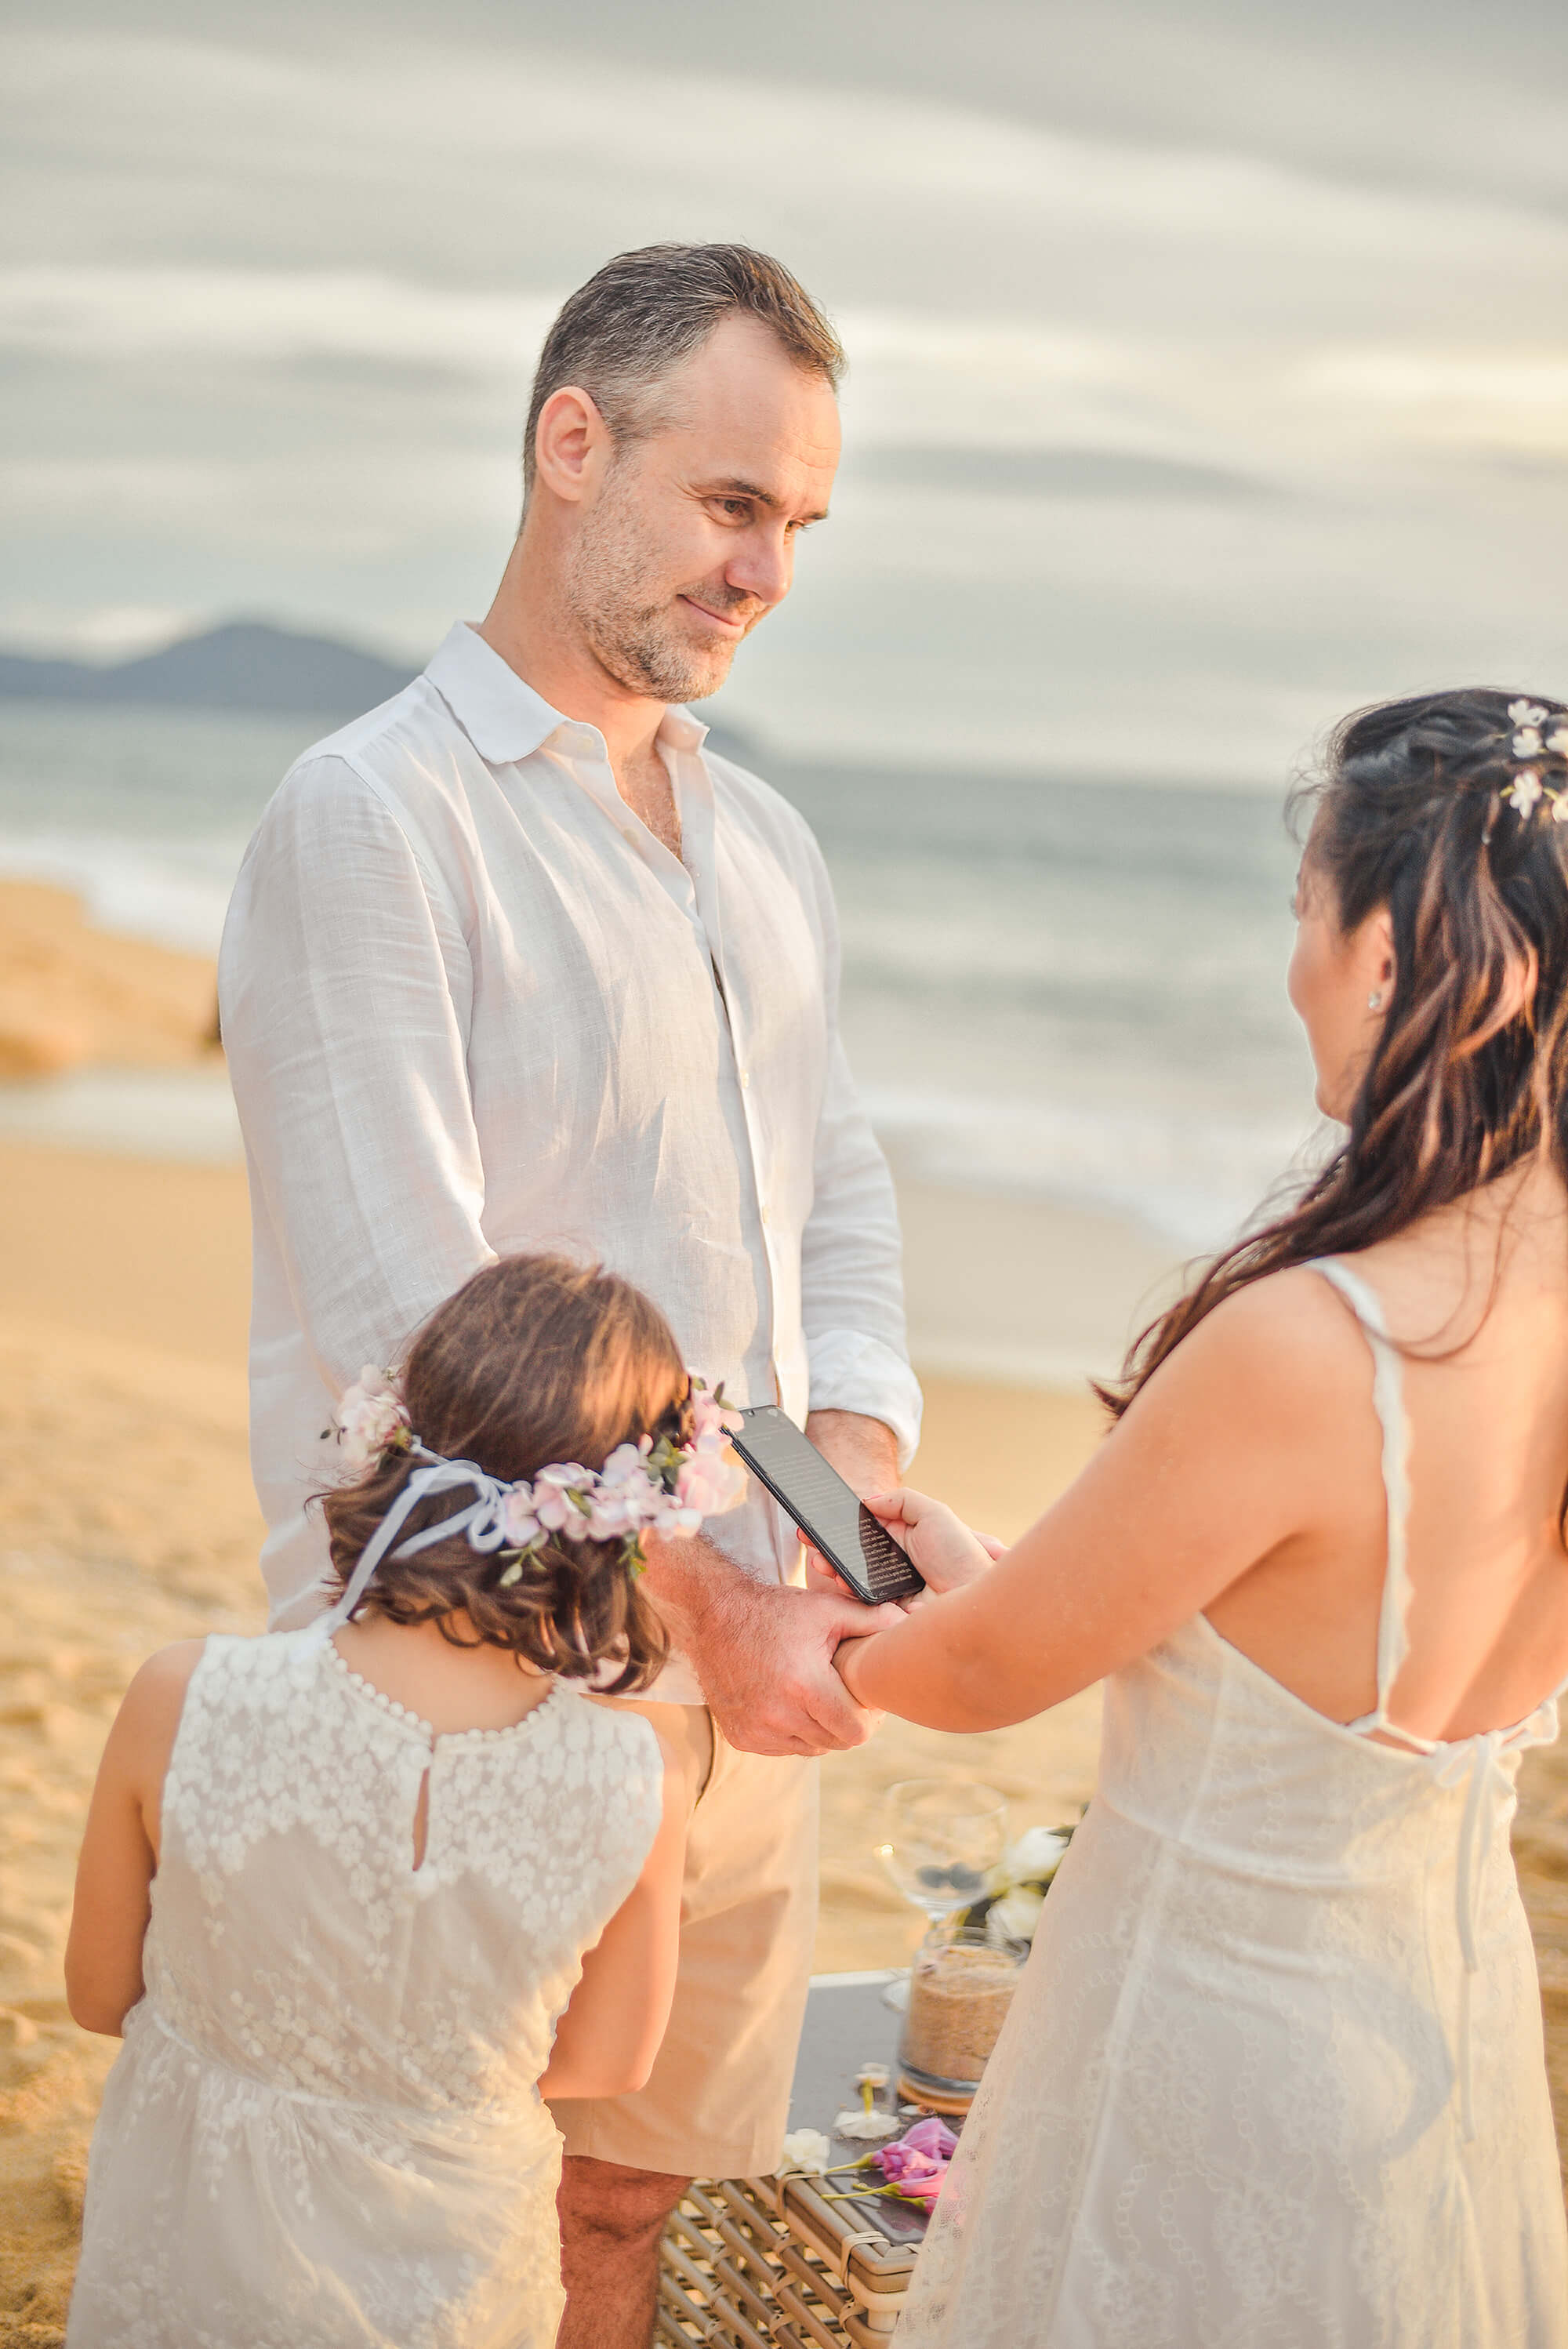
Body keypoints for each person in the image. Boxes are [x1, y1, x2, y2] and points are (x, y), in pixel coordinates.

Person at [216, 241, 919, 2347]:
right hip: (474, 1668)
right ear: (570, 440)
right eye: (732, 504)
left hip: (745, 1686)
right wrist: (715, 1588)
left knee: (625, 2208)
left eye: (799, 524)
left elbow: (835, 1205)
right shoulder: (372, 813)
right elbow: (410, 1312)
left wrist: (844, 1518)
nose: (768, 570)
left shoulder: (766, 842)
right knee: (419, 2218)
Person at [834, 691, 1568, 2346]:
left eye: (1301, 913)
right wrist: (990, 1591)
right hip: (1429, 2054)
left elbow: (976, 1682)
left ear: (1382, 953)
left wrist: (843, 1638)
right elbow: (1296, 1644)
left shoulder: (1317, 1342)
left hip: (1213, 2058)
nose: (1290, 964)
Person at [62, 1252, 727, 2346]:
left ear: (389, 1433)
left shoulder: (186, 1697)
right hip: (449, 2257)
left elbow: (97, 1994)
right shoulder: (636, 1774)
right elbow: (610, 2063)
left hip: (200, 2218)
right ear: (635, 1517)